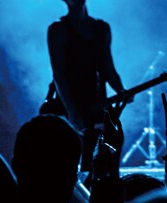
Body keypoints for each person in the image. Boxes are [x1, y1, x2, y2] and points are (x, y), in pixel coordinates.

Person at [47, 0, 127, 134]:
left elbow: (108, 68)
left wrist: (121, 90)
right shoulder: (58, 29)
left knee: (100, 142)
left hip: (97, 105)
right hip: (70, 106)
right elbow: (58, 74)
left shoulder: (101, 28)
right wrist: (72, 112)